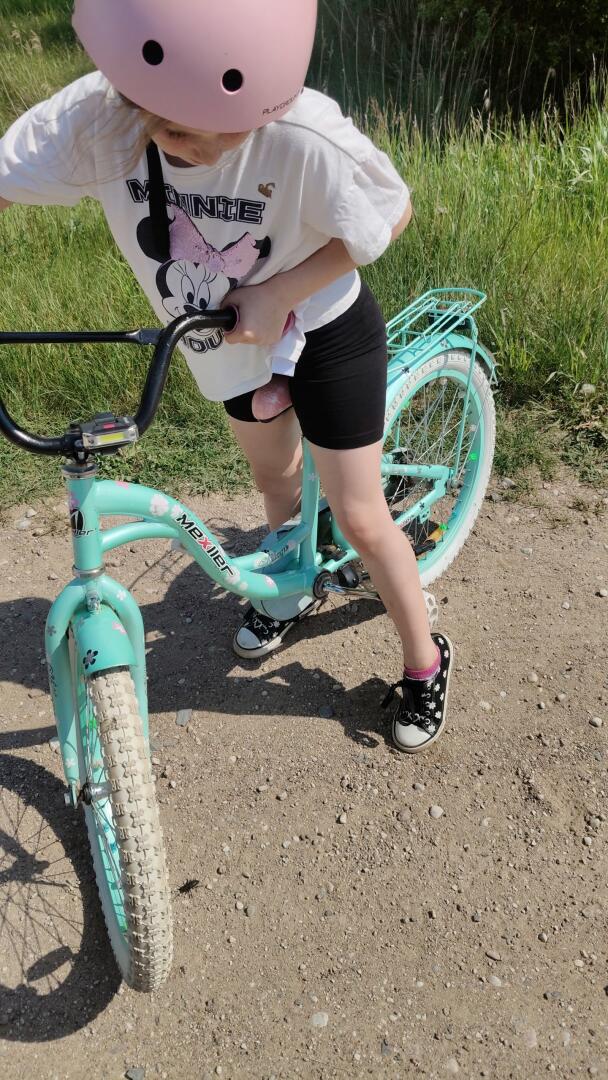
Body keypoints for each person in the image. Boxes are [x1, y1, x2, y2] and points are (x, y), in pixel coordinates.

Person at [0, 0, 454, 754]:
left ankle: (425, 660)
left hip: (324, 328)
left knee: (361, 516)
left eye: (222, 130)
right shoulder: (104, 117)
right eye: (173, 130)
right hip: (222, 343)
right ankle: (292, 583)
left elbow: (389, 212)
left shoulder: (302, 131)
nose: (197, 144)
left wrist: (280, 292)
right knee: (276, 483)